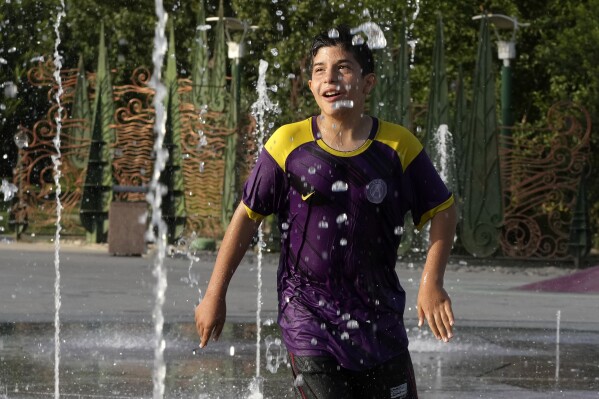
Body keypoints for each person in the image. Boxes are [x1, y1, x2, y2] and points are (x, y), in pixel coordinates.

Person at [195, 25, 457, 399]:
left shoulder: (398, 147)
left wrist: (432, 281)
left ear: (368, 84)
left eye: (342, 68)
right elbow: (246, 216)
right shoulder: (287, 144)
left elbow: (443, 211)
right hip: (308, 320)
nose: (329, 78)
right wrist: (214, 294)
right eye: (319, 70)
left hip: (379, 322)